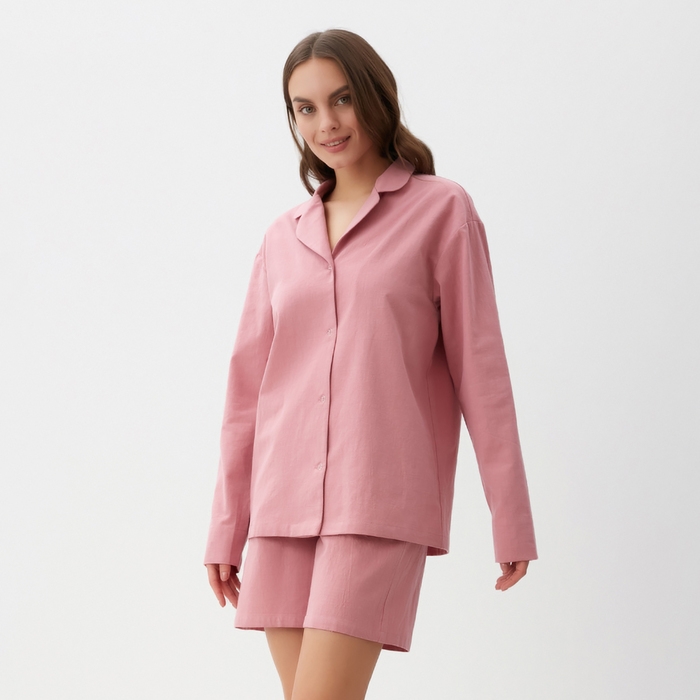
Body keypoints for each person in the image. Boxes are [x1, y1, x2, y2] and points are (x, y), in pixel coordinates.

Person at [204, 28, 538, 700]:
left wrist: (511, 516)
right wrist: (226, 526)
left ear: (376, 96)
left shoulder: (442, 210)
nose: (325, 123)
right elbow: (247, 395)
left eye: (341, 99)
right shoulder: (282, 237)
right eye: (305, 108)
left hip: (377, 502)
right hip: (280, 507)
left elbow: (482, 372)